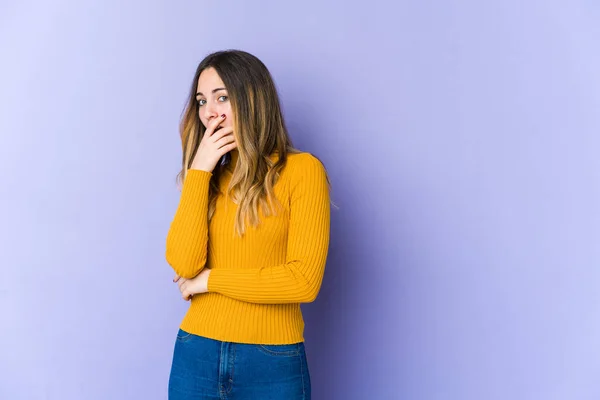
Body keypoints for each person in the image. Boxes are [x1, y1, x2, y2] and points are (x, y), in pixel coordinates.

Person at [165, 49, 331, 400]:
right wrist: (198, 172)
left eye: (222, 97)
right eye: (201, 100)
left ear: (252, 99)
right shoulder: (206, 179)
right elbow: (183, 263)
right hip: (196, 352)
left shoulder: (302, 172)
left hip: (271, 360)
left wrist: (209, 280)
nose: (209, 111)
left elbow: (302, 282)